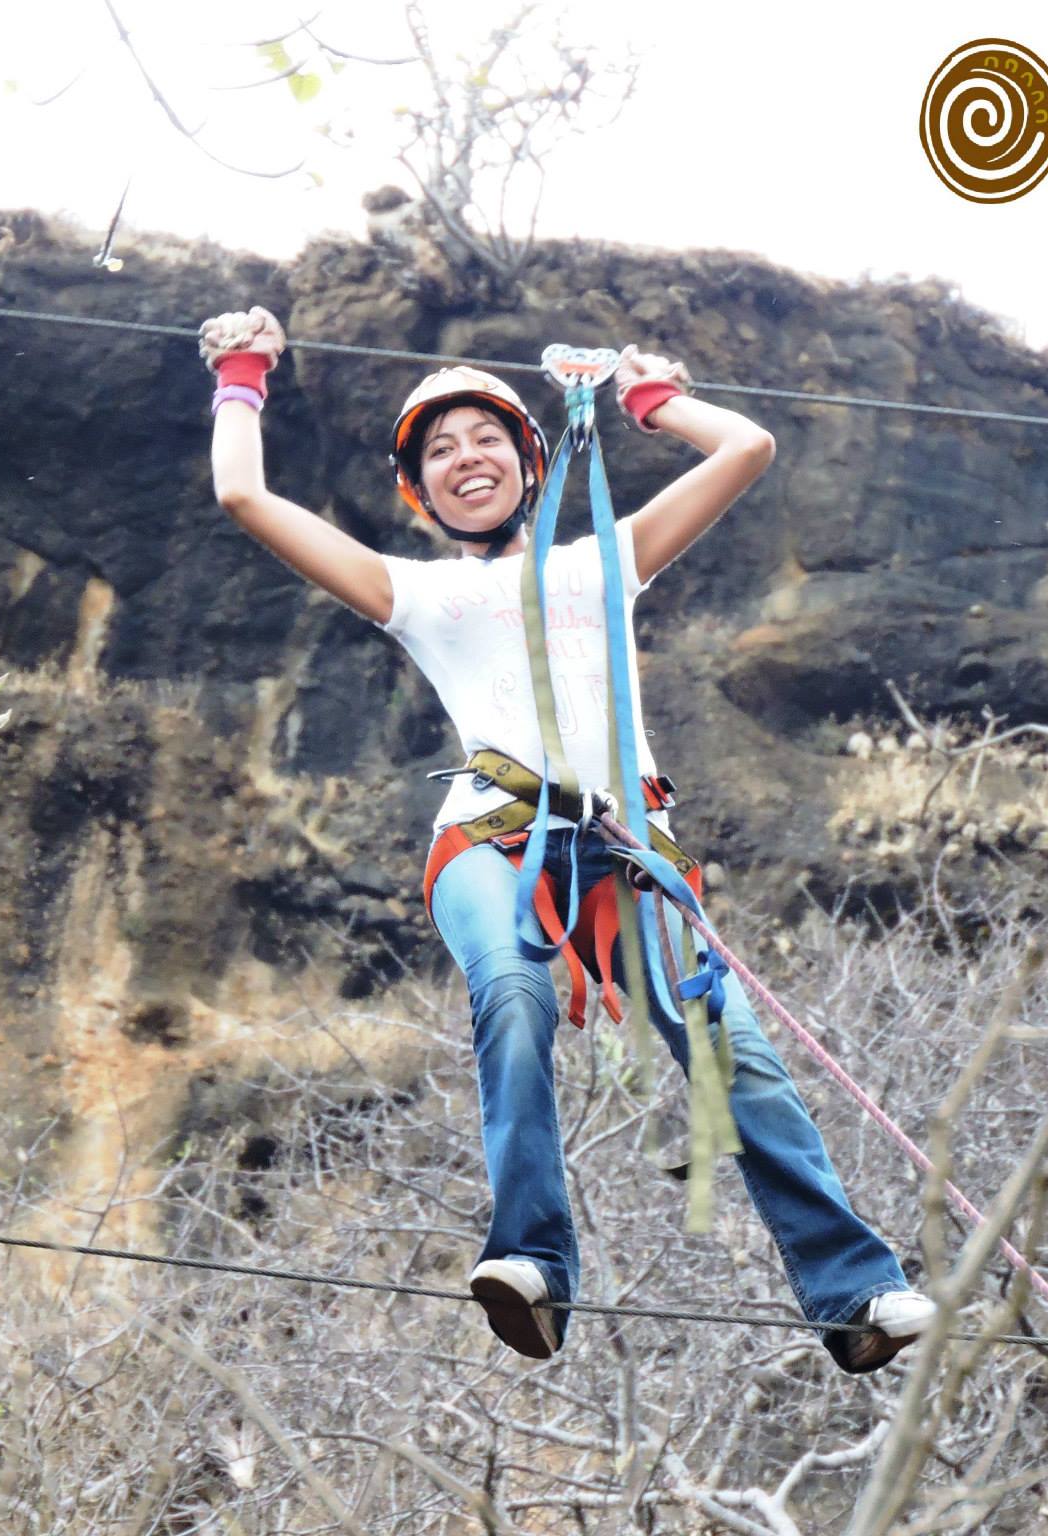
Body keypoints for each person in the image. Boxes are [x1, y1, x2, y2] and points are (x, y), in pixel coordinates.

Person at [201, 304, 935, 1371]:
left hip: (620, 847)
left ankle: (854, 1291)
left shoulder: (599, 563)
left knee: (737, 1057)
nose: (465, 459)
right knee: (511, 989)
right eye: (440, 450)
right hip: (490, 838)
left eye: (485, 437)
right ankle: (532, 1266)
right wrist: (240, 375)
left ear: (528, 461)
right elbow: (241, 493)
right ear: (419, 492)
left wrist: (650, 401)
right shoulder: (417, 592)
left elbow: (745, 448)